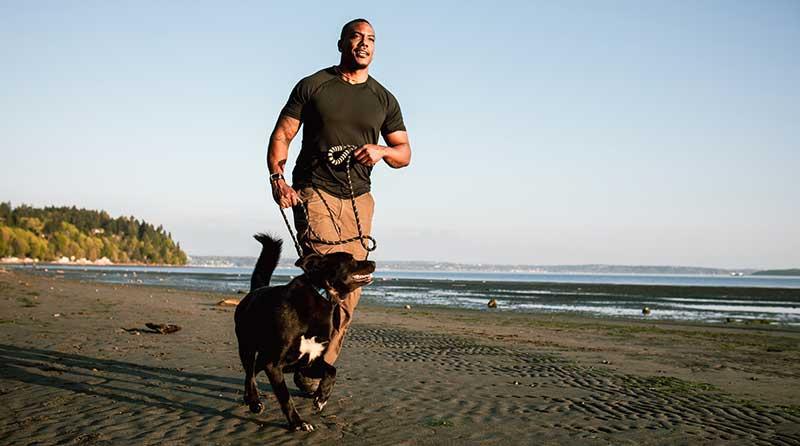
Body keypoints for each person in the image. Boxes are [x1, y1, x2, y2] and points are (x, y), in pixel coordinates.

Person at [266, 18, 411, 392]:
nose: (364, 44)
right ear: (342, 42)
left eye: (371, 40)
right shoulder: (314, 86)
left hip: (360, 201)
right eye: (357, 37)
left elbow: (404, 153)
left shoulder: (383, 98)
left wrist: (381, 150)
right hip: (315, 192)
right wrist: (277, 179)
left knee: (352, 291)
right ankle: (302, 353)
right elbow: (283, 133)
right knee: (324, 282)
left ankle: (319, 364)